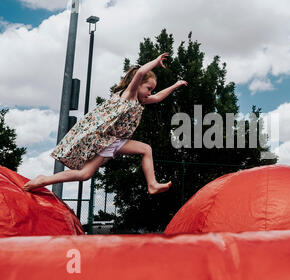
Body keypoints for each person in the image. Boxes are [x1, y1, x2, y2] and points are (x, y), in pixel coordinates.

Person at [23, 52, 187, 195]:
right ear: (137, 85)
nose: (150, 93)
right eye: (148, 88)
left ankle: (44, 180)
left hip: (110, 141)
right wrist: (156, 62)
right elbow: (141, 72)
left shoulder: (139, 101)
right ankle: (152, 184)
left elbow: (158, 98)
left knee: (84, 175)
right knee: (146, 149)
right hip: (107, 140)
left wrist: (176, 85)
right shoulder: (128, 95)